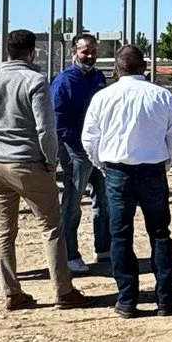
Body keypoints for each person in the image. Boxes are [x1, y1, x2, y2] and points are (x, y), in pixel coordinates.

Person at [0, 29, 86, 313]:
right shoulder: (35, 81)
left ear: (6, 51)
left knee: (5, 231)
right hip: (29, 163)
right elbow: (46, 128)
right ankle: (63, 290)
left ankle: (11, 292)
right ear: (33, 52)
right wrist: (50, 161)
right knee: (52, 228)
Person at [82, 46, 172, 318]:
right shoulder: (162, 95)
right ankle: (166, 299)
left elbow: (89, 139)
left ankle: (127, 299)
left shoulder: (102, 98)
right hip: (153, 169)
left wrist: (101, 164)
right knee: (160, 233)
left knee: (120, 234)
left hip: (118, 171)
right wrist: (167, 160)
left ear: (117, 69)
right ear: (144, 67)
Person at [51, 32, 111, 275]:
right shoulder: (64, 81)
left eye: (94, 51)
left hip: (98, 149)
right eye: (85, 51)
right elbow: (57, 118)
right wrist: (76, 145)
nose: (90, 56)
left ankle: (104, 248)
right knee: (73, 202)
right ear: (74, 52)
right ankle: (70, 253)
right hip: (75, 149)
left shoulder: (98, 77)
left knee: (103, 199)